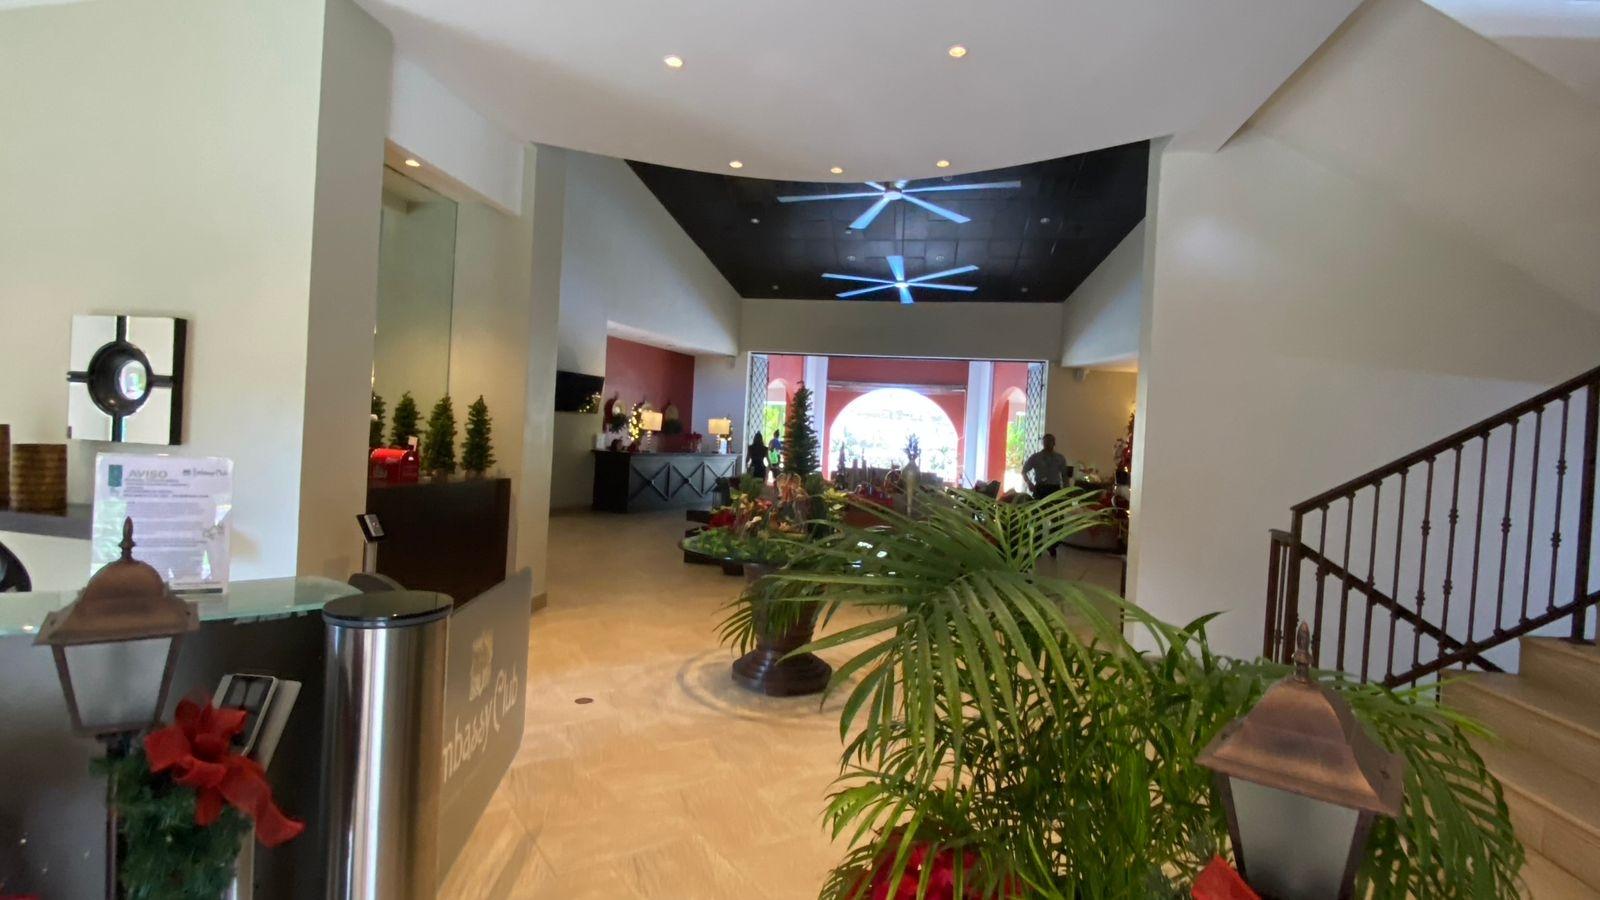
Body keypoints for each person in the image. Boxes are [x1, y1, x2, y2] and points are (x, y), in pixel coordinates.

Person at [1022, 434, 1072, 557]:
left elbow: (1065, 476)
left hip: (1055, 490)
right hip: (1040, 489)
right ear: (1042, 443)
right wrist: (1029, 483)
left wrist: (1066, 492)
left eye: (1050, 441)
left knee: (1057, 518)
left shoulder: (1060, 458)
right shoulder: (1036, 457)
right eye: (1045, 441)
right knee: (1037, 519)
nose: (1047, 443)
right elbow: (1024, 471)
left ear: (1054, 443)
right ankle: (1036, 546)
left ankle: (1052, 545)